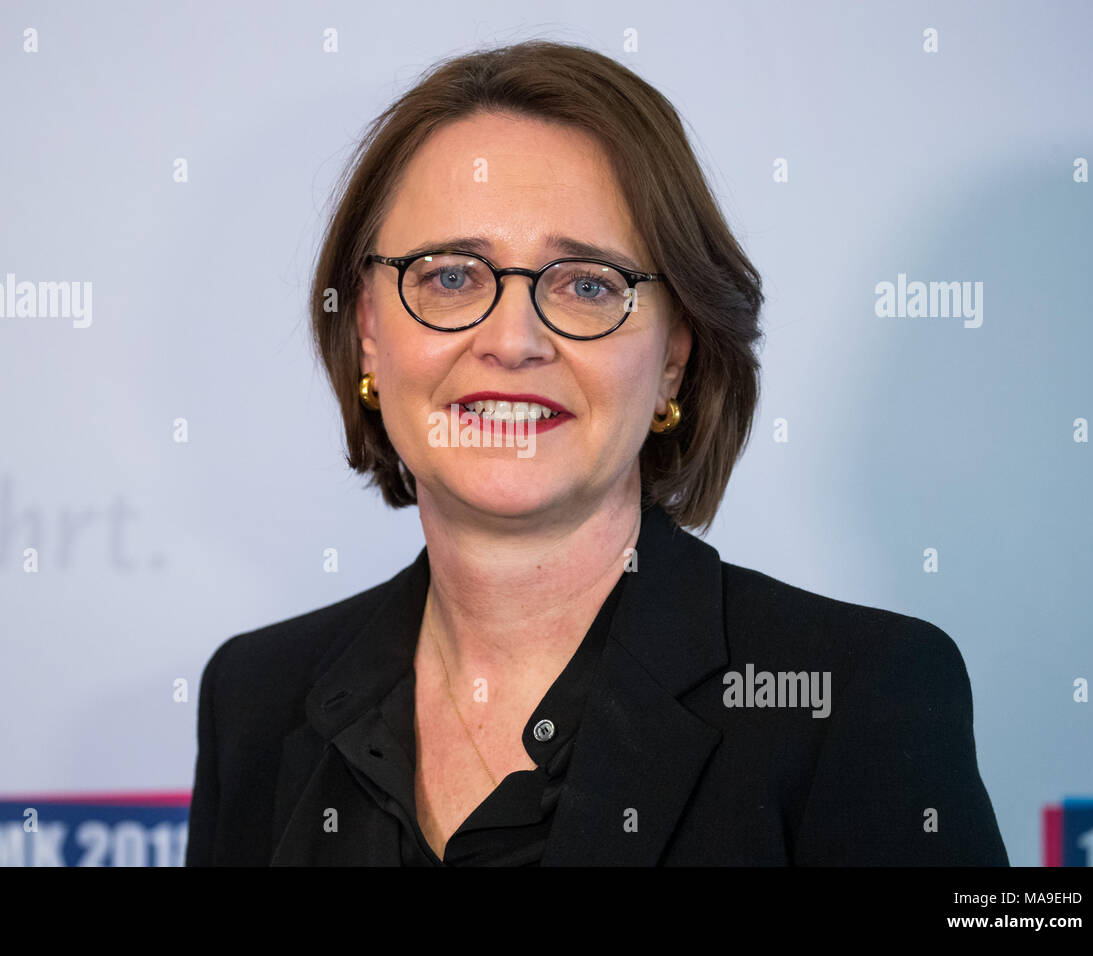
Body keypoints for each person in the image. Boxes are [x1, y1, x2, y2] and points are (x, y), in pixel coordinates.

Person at [185, 40, 1008, 866]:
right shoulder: (255, 698)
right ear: (367, 330)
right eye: (449, 277)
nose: (511, 341)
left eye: (585, 285)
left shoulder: (855, 698)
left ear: (673, 358)